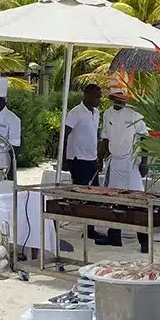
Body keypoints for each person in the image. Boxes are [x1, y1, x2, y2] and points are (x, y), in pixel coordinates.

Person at [96, 83, 150, 252]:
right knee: (114, 200)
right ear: (111, 99)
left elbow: (144, 139)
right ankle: (114, 236)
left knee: (137, 201)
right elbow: (105, 137)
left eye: (121, 98)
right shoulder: (107, 114)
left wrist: (144, 162)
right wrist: (99, 158)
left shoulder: (135, 114)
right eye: (116, 98)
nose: (119, 101)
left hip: (132, 162)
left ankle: (144, 241)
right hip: (116, 161)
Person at [63, 83, 102, 239]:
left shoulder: (97, 112)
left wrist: (99, 157)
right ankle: (88, 228)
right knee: (83, 196)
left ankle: (90, 227)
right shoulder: (75, 113)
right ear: (86, 95)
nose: (99, 100)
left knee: (95, 196)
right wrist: (65, 158)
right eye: (96, 96)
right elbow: (64, 135)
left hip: (92, 158)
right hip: (78, 159)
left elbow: (94, 136)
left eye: (100, 97)